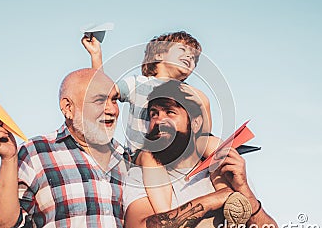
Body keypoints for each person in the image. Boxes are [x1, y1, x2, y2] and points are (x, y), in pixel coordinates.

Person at [82, 31, 235, 215]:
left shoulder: (192, 94)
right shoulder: (139, 84)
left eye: (194, 57)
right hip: (145, 152)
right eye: (183, 50)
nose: (190, 57)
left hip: (180, 153)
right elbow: (104, 90)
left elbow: (203, 133)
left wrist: (203, 103)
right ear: (159, 54)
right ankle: (170, 216)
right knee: (149, 155)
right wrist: (96, 55)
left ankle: (231, 200)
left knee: (213, 144)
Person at [123, 80, 280, 228]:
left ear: (196, 123)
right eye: (154, 114)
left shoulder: (227, 171)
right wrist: (214, 199)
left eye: (170, 112)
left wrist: (244, 191)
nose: (159, 121)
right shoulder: (139, 176)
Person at [0, 69, 128, 228]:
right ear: (68, 108)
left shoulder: (127, 159)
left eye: (113, 100)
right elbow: (2, 227)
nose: (112, 109)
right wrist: (8, 160)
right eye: (99, 100)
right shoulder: (35, 153)